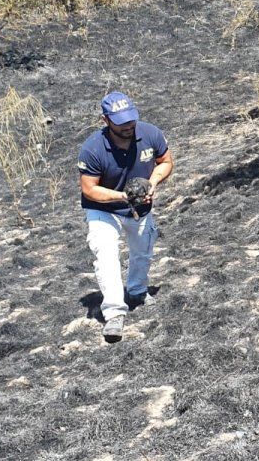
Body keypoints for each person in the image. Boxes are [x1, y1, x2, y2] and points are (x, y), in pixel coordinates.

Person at [78, 92, 174, 342]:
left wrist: (152, 183)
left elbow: (165, 161)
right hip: (104, 207)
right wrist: (122, 196)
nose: (128, 127)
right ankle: (113, 313)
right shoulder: (93, 148)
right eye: (121, 123)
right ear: (106, 120)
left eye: (131, 120)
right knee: (106, 252)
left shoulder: (150, 133)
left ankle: (138, 291)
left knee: (142, 249)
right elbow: (89, 188)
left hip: (139, 207)